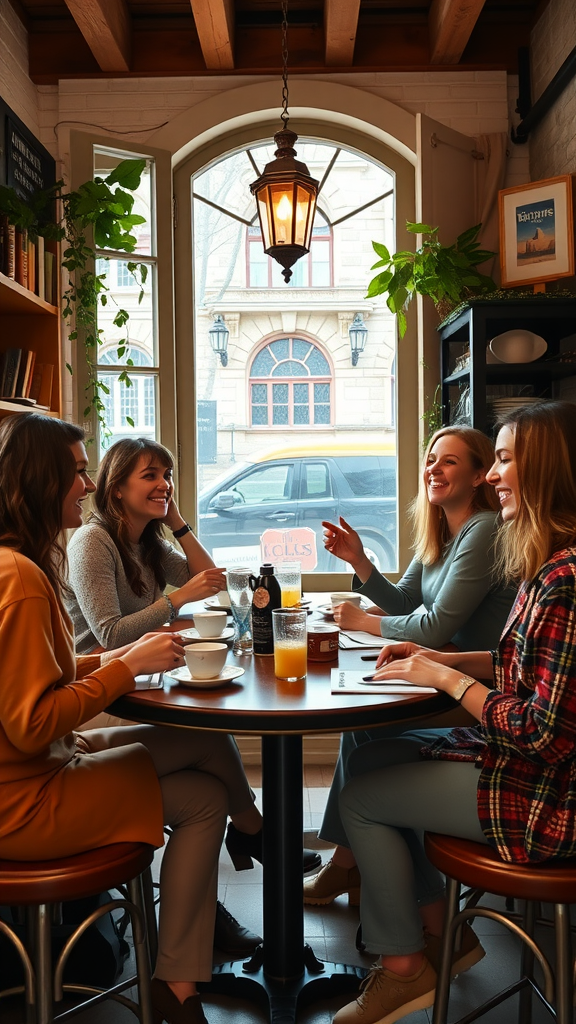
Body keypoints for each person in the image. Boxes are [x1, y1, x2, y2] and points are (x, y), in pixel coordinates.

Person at [0, 413, 266, 1024]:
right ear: (43, 481)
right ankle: (178, 978)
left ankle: (180, 978)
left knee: (202, 778)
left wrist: (116, 657)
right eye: (75, 471)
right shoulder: (26, 576)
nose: (86, 483)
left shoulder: (19, 564)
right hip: (26, 800)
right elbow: (30, 725)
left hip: (39, 773)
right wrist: (124, 667)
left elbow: (48, 669)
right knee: (202, 794)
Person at [332, 400, 576, 1024]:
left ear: (545, 470)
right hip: (531, 767)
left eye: (502, 460)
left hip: (549, 796)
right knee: (371, 755)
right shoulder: (549, 566)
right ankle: (445, 935)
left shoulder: (562, 580)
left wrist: (442, 670)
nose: (494, 478)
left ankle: (404, 968)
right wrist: (453, 659)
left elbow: (541, 733)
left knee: (363, 795)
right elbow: (526, 668)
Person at [65, 438, 320, 883]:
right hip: (100, 696)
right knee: (209, 742)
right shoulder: (93, 542)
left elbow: (214, 582)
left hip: (139, 682)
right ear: (116, 488)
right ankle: (253, 834)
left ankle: (246, 838)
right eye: (150, 476)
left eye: (167, 476)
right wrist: (177, 601)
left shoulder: (145, 542)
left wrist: (177, 523)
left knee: (211, 739)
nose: (164, 484)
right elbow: (108, 634)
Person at [305, 426, 516, 906]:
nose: (432, 470)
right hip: (440, 674)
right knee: (359, 729)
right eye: (431, 460)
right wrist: (360, 561)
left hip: (476, 687)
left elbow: (436, 625)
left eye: (448, 462)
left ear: (480, 475)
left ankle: (354, 867)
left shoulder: (484, 529)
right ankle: (350, 864)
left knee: (365, 732)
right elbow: (405, 601)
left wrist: (369, 622)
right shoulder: (442, 529)